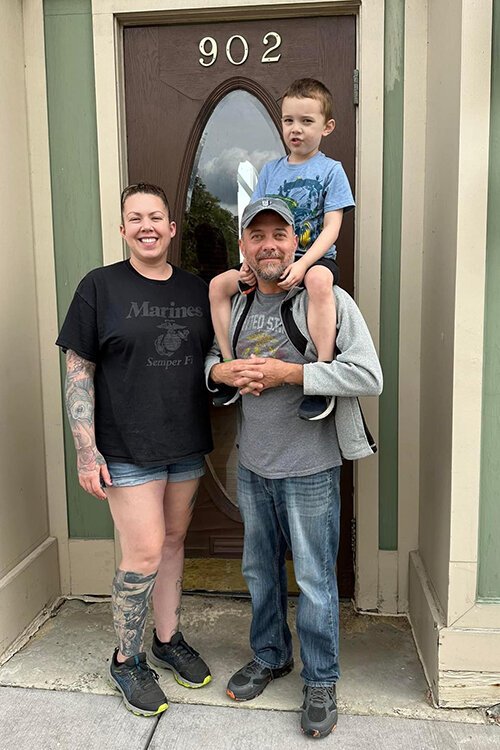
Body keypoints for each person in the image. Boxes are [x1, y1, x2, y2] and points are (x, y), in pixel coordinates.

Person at [206, 197, 382, 739]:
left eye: (278, 235)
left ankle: (322, 678)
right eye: (256, 236)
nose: (268, 246)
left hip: (309, 468)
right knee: (260, 571)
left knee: (312, 577)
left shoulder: (325, 298)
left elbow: (366, 375)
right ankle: (270, 655)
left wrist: (292, 375)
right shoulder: (235, 305)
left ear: (295, 242)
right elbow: (209, 364)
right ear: (244, 247)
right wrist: (223, 374)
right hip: (252, 466)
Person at [56, 183, 214, 717]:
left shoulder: (196, 290)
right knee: (143, 551)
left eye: (156, 216)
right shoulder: (99, 287)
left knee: (172, 543)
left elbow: (217, 354)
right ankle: (127, 658)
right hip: (125, 447)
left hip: (186, 442)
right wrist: (85, 450)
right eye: (134, 218)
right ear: (122, 230)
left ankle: (168, 640)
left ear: (172, 228)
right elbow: (79, 370)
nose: (146, 225)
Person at [209, 78, 354, 421]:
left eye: (307, 122)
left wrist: (304, 266)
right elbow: (252, 223)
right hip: (269, 260)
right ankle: (231, 367)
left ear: (327, 127)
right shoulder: (272, 170)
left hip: (314, 259)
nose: (296, 129)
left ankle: (322, 375)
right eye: (289, 121)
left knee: (320, 284)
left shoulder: (331, 171)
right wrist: (245, 262)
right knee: (219, 286)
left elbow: (332, 227)